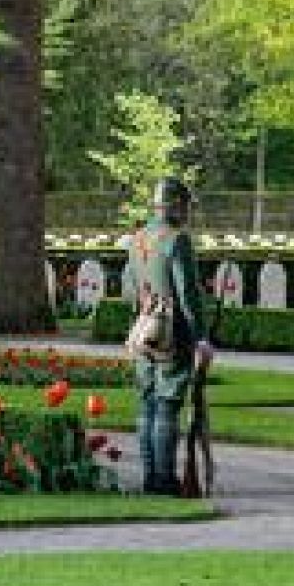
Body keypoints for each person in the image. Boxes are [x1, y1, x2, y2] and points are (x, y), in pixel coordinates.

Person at [127, 176, 211, 496]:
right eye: (186, 205)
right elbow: (188, 294)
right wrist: (201, 336)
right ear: (176, 206)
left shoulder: (137, 239)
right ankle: (164, 479)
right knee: (166, 405)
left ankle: (150, 477)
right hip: (172, 330)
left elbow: (132, 289)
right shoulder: (177, 240)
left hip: (143, 326)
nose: (188, 212)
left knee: (147, 404)